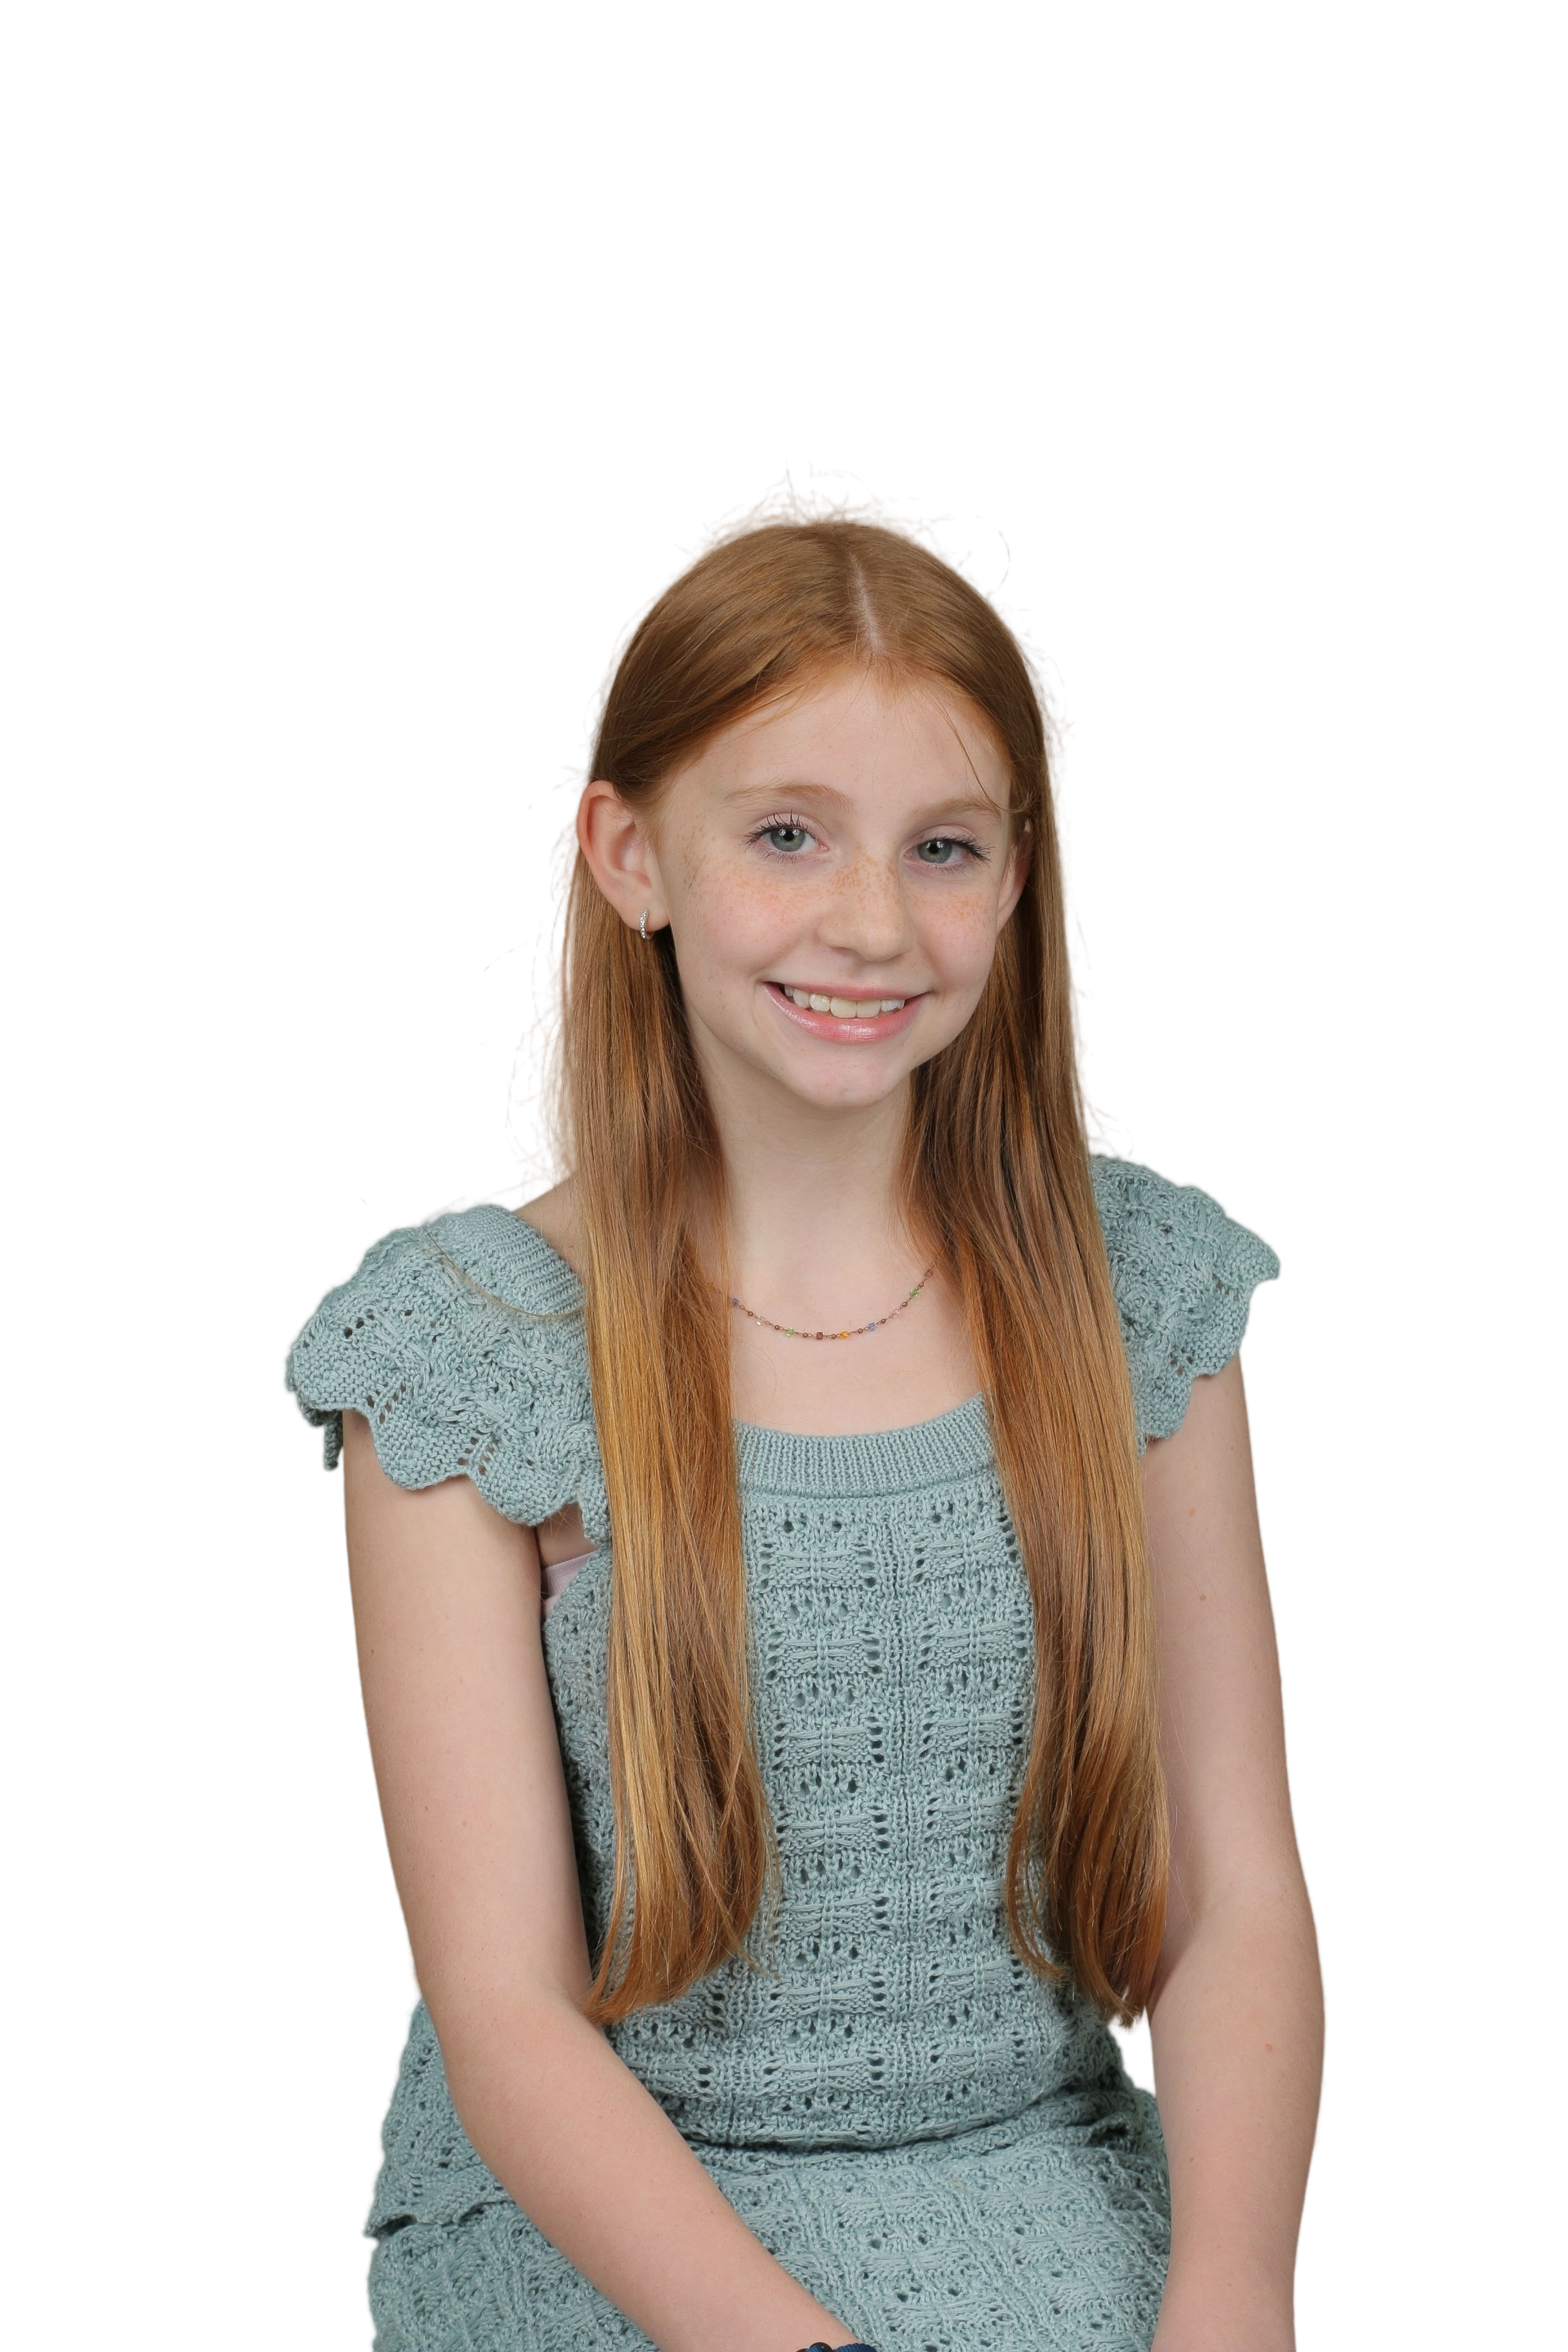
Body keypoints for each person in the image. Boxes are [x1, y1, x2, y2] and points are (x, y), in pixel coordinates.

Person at [278, 464, 1328, 2352]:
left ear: (1019, 876)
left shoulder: (1140, 1295)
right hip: (608, 2230)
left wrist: (1232, 2299)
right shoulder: (464, 1356)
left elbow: (1239, 1900)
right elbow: (507, 2017)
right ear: (629, 857)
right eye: (786, 834)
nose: (871, 923)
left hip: (1039, 2177)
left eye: (945, 848)